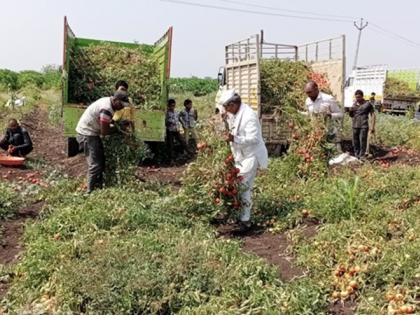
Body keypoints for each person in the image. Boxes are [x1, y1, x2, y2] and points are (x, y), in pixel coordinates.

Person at [220, 89, 268, 230]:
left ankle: (245, 220)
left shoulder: (249, 116)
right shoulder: (234, 113)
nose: (226, 110)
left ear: (233, 104)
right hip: (241, 155)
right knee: (239, 185)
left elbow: (253, 139)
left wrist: (234, 138)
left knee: (243, 186)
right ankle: (239, 214)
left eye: (227, 107)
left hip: (251, 155)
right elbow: (231, 126)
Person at [76, 91, 129, 193]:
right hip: (87, 134)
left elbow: (107, 122)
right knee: (95, 164)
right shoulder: (106, 109)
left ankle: (98, 186)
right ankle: (89, 191)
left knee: (100, 160)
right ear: (115, 100)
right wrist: (118, 129)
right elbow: (104, 132)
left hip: (91, 132)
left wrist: (117, 123)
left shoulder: (108, 102)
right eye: (121, 104)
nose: (122, 107)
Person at [303, 81, 343, 148]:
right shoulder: (307, 101)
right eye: (307, 93)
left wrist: (330, 115)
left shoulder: (328, 99)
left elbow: (340, 114)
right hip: (316, 134)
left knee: (333, 152)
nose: (308, 95)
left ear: (316, 89)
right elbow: (308, 114)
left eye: (310, 92)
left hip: (330, 133)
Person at [349, 90, 375, 159]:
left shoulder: (367, 104)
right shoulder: (354, 104)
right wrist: (350, 111)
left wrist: (372, 126)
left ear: (362, 96)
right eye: (356, 97)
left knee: (362, 141)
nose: (358, 99)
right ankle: (356, 155)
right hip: (355, 125)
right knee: (355, 141)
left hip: (363, 125)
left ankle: (362, 156)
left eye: (359, 97)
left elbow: (373, 115)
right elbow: (351, 115)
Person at [165, 98, 192, 164]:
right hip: (170, 130)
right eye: (171, 106)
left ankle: (189, 154)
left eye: (173, 105)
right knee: (171, 145)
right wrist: (170, 122)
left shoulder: (176, 112)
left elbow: (179, 119)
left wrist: (183, 125)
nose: (172, 107)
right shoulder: (167, 113)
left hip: (176, 130)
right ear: (168, 106)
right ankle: (171, 159)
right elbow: (166, 122)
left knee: (182, 142)